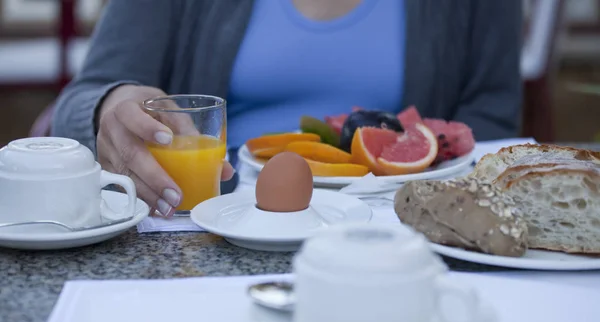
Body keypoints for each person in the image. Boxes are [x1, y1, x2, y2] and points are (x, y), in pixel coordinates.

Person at [51, 0, 523, 217]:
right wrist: (109, 108)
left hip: (396, 236)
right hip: (212, 222)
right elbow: (82, 98)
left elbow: (492, 120)